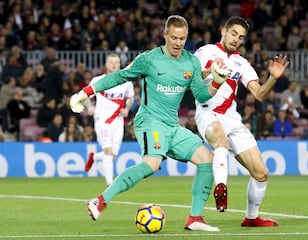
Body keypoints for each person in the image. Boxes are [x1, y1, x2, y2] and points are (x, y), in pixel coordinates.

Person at [69, 15, 229, 231]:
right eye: (173, 37)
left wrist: (217, 83)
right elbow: (120, 77)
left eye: (182, 38)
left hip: (172, 127)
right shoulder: (149, 59)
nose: (177, 43)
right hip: (150, 122)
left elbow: (201, 95)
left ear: (187, 37)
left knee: (207, 159)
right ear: (165, 35)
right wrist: (86, 92)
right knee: (152, 163)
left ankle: (195, 219)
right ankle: (100, 201)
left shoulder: (191, 62)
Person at [193, 16, 289, 226]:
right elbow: (190, 77)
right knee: (221, 141)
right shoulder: (205, 52)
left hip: (232, 119)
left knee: (261, 173)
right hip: (207, 113)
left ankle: (251, 218)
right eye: (234, 33)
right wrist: (211, 70)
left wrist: (273, 77)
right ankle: (221, 188)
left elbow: (260, 94)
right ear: (223, 31)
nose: (237, 39)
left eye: (241, 37)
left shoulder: (241, 63)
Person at [84, 53, 135, 186]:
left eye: (116, 62)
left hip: (117, 121)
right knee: (107, 149)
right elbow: (85, 96)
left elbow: (131, 97)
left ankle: (94, 157)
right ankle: (110, 183)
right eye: (111, 62)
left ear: (120, 64)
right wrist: (90, 106)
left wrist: (127, 108)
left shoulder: (126, 82)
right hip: (102, 120)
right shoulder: (97, 80)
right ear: (106, 65)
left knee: (113, 155)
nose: (114, 64)